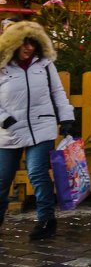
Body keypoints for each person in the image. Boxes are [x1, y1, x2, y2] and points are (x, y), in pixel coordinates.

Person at [0, 21, 75, 241]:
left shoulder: (43, 64)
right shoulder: (2, 65)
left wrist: (66, 116)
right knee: (2, 179)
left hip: (42, 127)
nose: (29, 48)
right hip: (10, 130)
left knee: (37, 172)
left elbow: (57, 91)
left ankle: (46, 220)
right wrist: (3, 119)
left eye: (33, 43)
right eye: (24, 43)